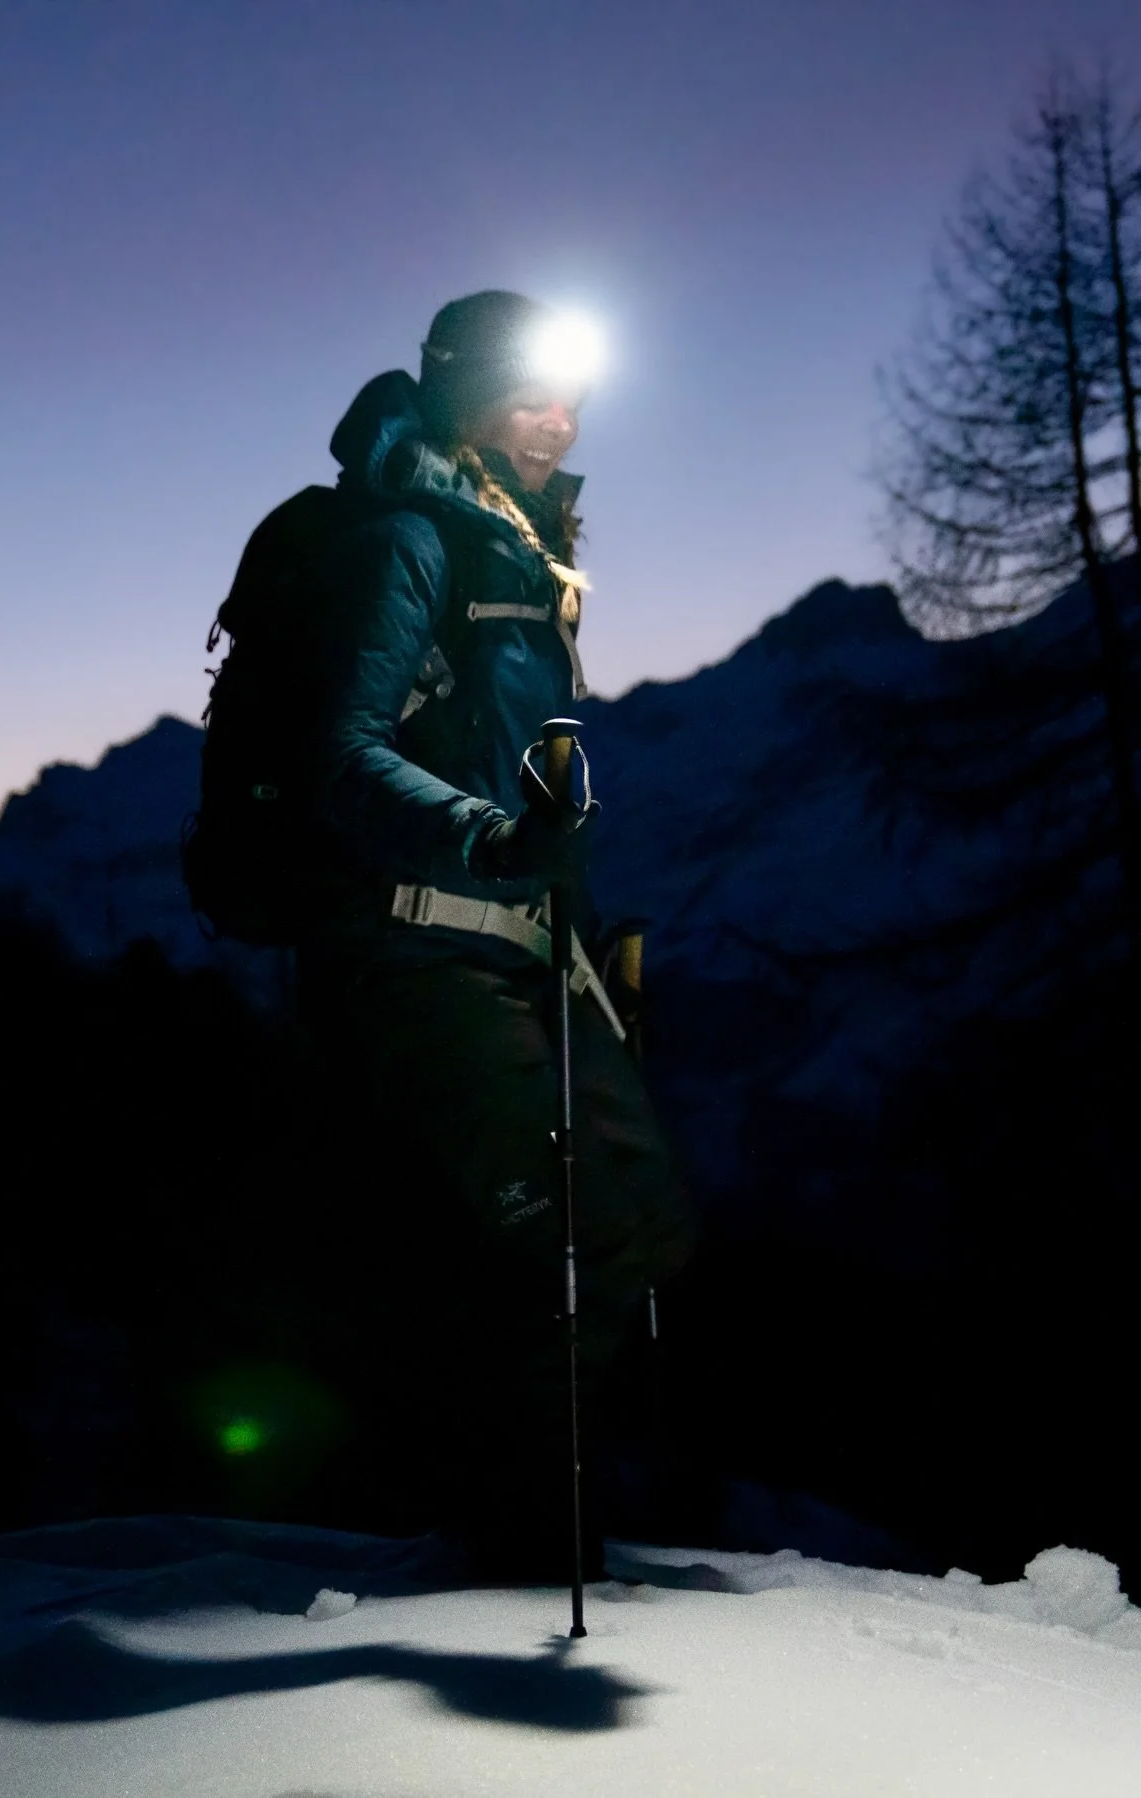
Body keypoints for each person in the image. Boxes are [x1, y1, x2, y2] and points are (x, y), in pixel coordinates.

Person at [291, 291, 694, 1581]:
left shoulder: (523, 554)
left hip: (525, 947)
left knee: (643, 1225)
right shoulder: (412, 541)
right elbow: (337, 757)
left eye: (571, 394)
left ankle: (538, 1541)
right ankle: (508, 1566)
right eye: (529, 393)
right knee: (569, 1236)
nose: (559, 418)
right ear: (463, 396)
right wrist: (491, 841)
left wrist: (580, 930)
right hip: (420, 953)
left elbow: (529, 781)